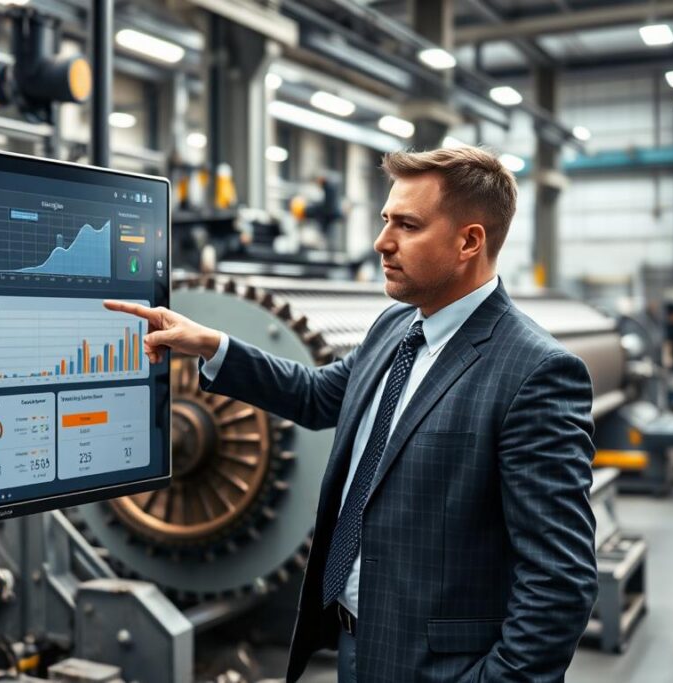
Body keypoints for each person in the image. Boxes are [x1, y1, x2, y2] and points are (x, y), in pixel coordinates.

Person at [105, 146, 597, 682]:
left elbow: (560, 578)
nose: (382, 242)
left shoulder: (535, 371)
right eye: (386, 220)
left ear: (469, 241)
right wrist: (212, 345)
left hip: (443, 667)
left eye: (407, 225)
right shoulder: (396, 328)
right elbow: (318, 396)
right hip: (357, 645)